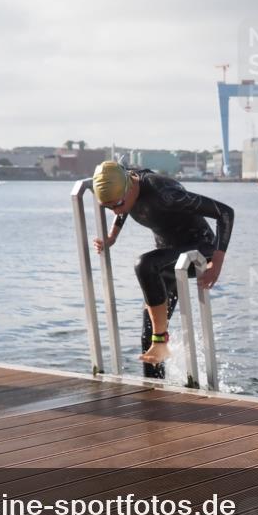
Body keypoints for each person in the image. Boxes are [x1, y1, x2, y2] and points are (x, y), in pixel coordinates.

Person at [92, 161, 234, 376]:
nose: (116, 211)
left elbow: (225, 213)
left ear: (129, 187)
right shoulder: (126, 183)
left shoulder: (165, 194)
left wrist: (217, 262)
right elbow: (121, 206)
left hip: (199, 252)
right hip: (167, 259)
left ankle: (161, 341)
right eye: (108, 207)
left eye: (117, 204)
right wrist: (112, 236)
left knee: (144, 264)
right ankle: (155, 392)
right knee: (147, 334)